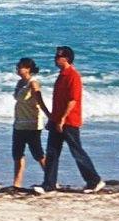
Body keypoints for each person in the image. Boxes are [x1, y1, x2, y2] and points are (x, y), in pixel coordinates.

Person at [34, 46, 105, 194]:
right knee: (52, 152)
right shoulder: (61, 75)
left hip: (69, 121)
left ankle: (94, 180)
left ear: (66, 58)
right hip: (57, 119)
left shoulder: (73, 76)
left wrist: (62, 119)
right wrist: (53, 118)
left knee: (76, 151)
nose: (55, 59)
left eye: (58, 57)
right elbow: (59, 100)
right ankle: (49, 184)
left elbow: (72, 100)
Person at [9, 57, 48, 190]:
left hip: (32, 124)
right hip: (19, 123)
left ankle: (51, 179)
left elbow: (40, 101)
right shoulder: (20, 82)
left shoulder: (33, 83)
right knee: (17, 154)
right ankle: (17, 184)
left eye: (20, 67)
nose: (17, 69)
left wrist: (49, 116)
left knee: (38, 154)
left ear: (28, 69)